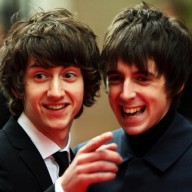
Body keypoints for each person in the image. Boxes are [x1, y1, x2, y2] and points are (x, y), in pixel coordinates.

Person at [0, 8, 122, 192]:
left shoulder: (75, 161)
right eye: (40, 76)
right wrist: (63, 189)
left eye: (69, 75)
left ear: (86, 84)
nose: (56, 92)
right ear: (18, 87)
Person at [74, 2, 192, 192]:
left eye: (142, 78)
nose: (126, 94)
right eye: (116, 78)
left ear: (176, 84)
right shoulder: (86, 160)